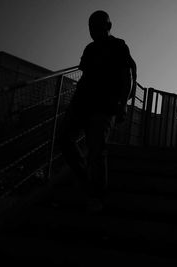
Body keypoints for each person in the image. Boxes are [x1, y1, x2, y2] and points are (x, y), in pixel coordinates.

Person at [59, 10, 137, 212]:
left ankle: (97, 195)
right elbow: (84, 75)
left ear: (107, 27)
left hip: (104, 107)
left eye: (96, 27)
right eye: (90, 27)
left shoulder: (118, 46)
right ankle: (86, 179)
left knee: (97, 150)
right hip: (82, 102)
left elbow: (126, 76)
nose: (92, 31)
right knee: (65, 138)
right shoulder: (90, 48)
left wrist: (123, 104)